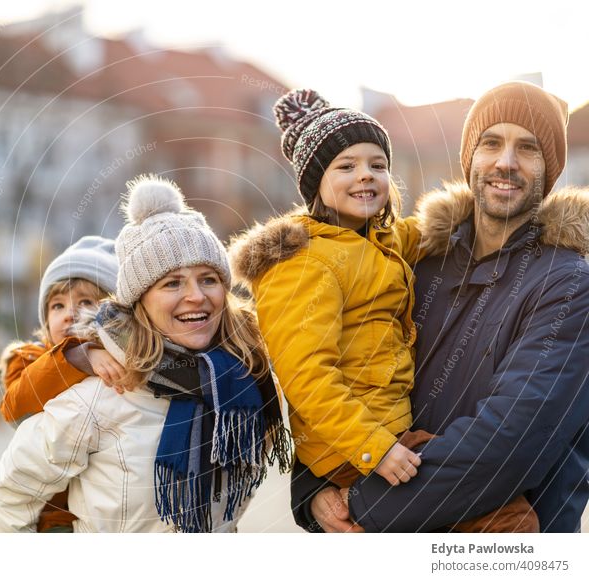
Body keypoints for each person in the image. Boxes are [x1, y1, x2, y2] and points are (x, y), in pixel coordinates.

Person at [229, 88, 536, 532]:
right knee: (511, 521)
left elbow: (423, 230)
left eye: (378, 165)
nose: (366, 176)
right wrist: (375, 449)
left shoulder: (378, 240)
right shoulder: (305, 262)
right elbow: (307, 377)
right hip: (356, 447)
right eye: (346, 167)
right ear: (315, 182)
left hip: (389, 429)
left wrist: (493, 196)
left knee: (509, 509)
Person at [290, 81, 589, 532]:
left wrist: (359, 504)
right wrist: (313, 492)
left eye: (527, 148)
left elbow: (507, 443)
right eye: (491, 143)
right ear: (469, 156)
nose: (505, 162)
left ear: (551, 168)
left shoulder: (568, 286)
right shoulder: (419, 263)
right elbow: (338, 372)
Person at [0, 175, 291, 533]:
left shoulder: (245, 385)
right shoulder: (103, 391)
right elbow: (11, 493)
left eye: (208, 279)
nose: (196, 295)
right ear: (140, 302)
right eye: (172, 283)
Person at [0, 235, 123, 532]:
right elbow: (15, 406)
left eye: (86, 302)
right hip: (56, 516)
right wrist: (78, 357)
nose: (69, 314)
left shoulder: (123, 361)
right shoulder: (27, 359)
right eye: (57, 305)